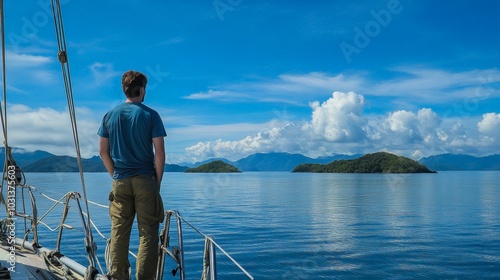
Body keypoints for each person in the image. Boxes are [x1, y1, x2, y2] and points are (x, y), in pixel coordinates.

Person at [97, 70, 167, 280]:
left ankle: (118, 277)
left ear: (125, 89)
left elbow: (103, 152)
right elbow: (159, 153)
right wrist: (157, 182)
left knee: (119, 232)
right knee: (148, 233)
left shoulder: (109, 116)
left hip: (120, 181)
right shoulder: (150, 115)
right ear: (142, 89)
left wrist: (115, 175)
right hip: (146, 180)